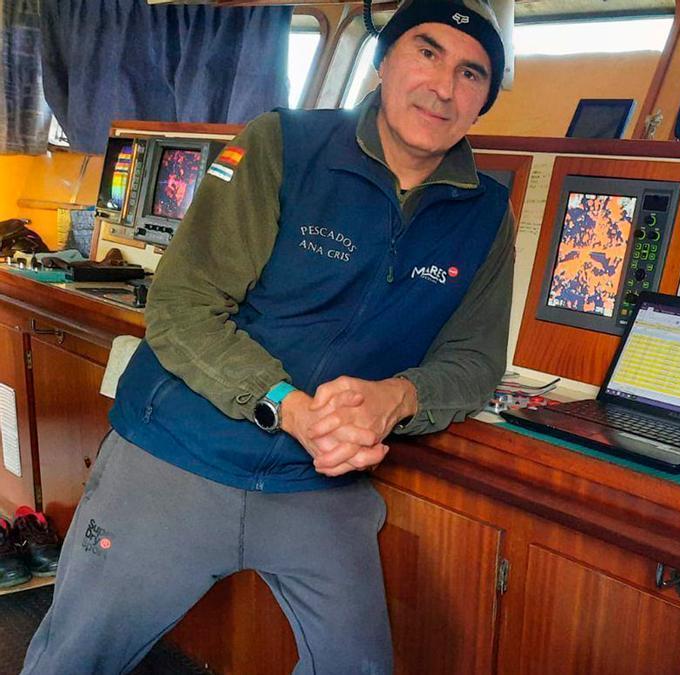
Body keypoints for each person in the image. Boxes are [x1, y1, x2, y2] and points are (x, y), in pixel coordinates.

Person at [22, 1, 513, 672]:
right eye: (426, 52)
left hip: (317, 485)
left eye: (471, 72)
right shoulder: (281, 144)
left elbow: (476, 359)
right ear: (382, 63)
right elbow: (184, 308)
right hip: (180, 453)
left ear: (484, 99)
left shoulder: (484, 211)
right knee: (75, 659)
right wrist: (287, 403)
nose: (444, 85)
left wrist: (398, 397)